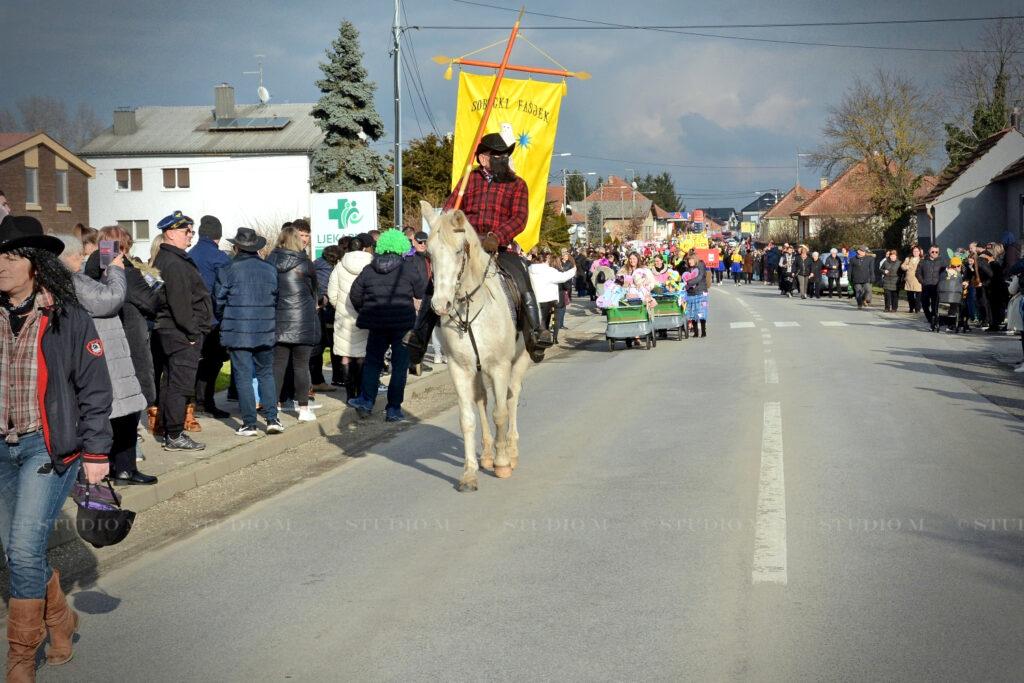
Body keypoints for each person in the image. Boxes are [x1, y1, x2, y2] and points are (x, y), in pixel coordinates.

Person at [0, 215, 112, 678]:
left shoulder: (67, 317)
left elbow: (95, 389)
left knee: (25, 551)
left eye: (11, 258)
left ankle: (21, 656)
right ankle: (61, 619)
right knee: (18, 551)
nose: (1, 266)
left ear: (35, 264)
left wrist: (97, 453)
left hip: (45, 449)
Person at [403, 132, 554, 366]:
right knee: (437, 282)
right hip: (466, 247)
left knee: (521, 276)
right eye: (498, 155)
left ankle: (534, 332)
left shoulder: (517, 184)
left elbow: (520, 218)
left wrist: (498, 236)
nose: (504, 158)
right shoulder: (468, 181)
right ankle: (419, 338)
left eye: (505, 155)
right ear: (483, 158)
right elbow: (449, 211)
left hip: (499, 247)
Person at [60, 235, 154, 487]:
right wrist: (115, 269)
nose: (82, 258)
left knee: (120, 411)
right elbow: (109, 299)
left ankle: (121, 467)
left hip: (103, 350)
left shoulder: (72, 280)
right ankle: (120, 469)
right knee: (117, 411)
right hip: (102, 352)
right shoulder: (73, 281)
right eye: (78, 255)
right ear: (65, 257)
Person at [348, 229, 426, 422]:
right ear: (401, 247)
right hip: (403, 323)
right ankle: (393, 409)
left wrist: (365, 309)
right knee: (399, 367)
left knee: (373, 363)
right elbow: (420, 292)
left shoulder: (369, 269)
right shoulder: (408, 268)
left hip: (377, 323)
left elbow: (355, 294)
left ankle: (367, 400)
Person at [213, 228, 284, 436]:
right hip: (265, 329)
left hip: (238, 331)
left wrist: (226, 317)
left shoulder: (228, 269)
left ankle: (250, 424)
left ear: (237, 247)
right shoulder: (270, 269)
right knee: (266, 374)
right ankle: (272, 419)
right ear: (256, 248)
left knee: (243, 377)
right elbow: (276, 299)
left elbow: (218, 301)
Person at [152, 211, 211, 451]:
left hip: (172, 330)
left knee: (171, 382)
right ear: (171, 233)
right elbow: (180, 303)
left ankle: (170, 430)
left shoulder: (170, 258)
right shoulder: (174, 262)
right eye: (187, 231)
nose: (190, 236)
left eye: (191, 232)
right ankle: (174, 434)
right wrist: (192, 333)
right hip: (180, 333)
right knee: (179, 385)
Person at [265, 226, 320, 422]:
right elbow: (315, 289)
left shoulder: (270, 262)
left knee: (277, 366)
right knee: (301, 366)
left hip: (279, 320)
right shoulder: (305, 263)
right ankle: (303, 409)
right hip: (303, 321)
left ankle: (274, 406)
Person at [188, 215, 232, 419]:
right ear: (218, 236)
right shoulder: (220, 258)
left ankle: (193, 402)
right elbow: (225, 289)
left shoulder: (189, 254)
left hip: (190, 317)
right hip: (213, 318)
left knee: (194, 360)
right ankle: (206, 402)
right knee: (213, 362)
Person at [327, 233, 373, 401]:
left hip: (343, 316)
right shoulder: (371, 265)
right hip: (365, 316)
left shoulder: (339, 267)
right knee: (361, 355)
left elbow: (332, 294)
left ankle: (349, 394)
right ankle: (360, 393)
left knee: (345, 355)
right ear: (364, 249)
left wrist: (339, 307)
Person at [310, 245, 341, 392]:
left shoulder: (316, 265)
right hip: (322, 312)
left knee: (318, 347)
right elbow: (325, 293)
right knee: (318, 347)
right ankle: (316, 381)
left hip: (315, 312)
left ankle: (317, 380)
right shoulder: (328, 271)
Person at [529, 253, 576, 344]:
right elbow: (563, 278)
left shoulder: (529, 270)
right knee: (551, 318)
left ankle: (539, 335)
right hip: (548, 298)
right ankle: (550, 337)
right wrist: (573, 271)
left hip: (535, 298)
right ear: (545, 261)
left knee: (540, 319)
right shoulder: (549, 271)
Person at [916, 245, 946, 330]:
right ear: (929, 252)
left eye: (936, 252)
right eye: (933, 251)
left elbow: (945, 273)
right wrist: (922, 282)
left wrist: (941, 283)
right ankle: (930, 319)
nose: (934, 253)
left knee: (934, 306)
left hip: (936, 287)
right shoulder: (923, 261)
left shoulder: (942, 262)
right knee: (924, 305)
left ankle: (934, 322)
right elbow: (918, 273)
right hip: (926, 286)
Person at [682, 252, 709, 337]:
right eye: (688, 260)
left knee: (701, 312)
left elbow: (700, 277)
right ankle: (696, 332)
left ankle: (703, 331)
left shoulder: (700, 265)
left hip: (701, 291)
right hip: (690, 292)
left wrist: (688, 282)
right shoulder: (688, 268)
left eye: (691, 259)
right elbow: (685, 276)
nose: (689, 262)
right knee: (692, 312)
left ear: (695, 259)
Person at [901, 246, 922, 313]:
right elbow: (902, 266)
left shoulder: (922, 259)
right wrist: (906, 267)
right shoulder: (908, 259)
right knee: (910, 295)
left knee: (918, 295)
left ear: (919, 252)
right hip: (909, 278)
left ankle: (917, 308)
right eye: (914, 251)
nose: (915, 253)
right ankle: (911, 308)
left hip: (918, 279)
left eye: (917, 251)